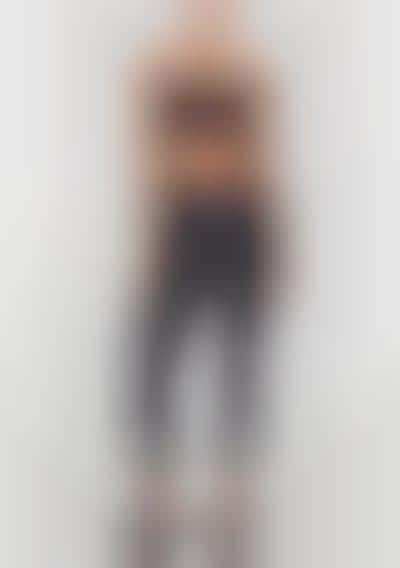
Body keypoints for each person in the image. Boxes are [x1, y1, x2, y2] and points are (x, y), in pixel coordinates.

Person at [121, 1, 291, 566]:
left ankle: (232, 491)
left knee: (240, 358)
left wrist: (273, 241)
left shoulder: (250, 74)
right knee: (156, 356)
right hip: (183, 221)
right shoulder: (163, 70)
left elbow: (262, 162)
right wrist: (152, 238)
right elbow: (152, 159)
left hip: (238, 224)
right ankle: (157, 488)